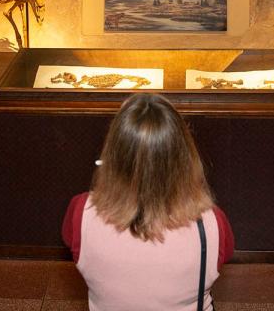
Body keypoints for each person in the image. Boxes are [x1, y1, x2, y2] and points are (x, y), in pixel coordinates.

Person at [62, 93, 234, 311]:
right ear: (184, 157)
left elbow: (73, 245)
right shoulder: (213, 224)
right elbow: (223, 255)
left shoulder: (80, 213)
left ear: (114, 155)